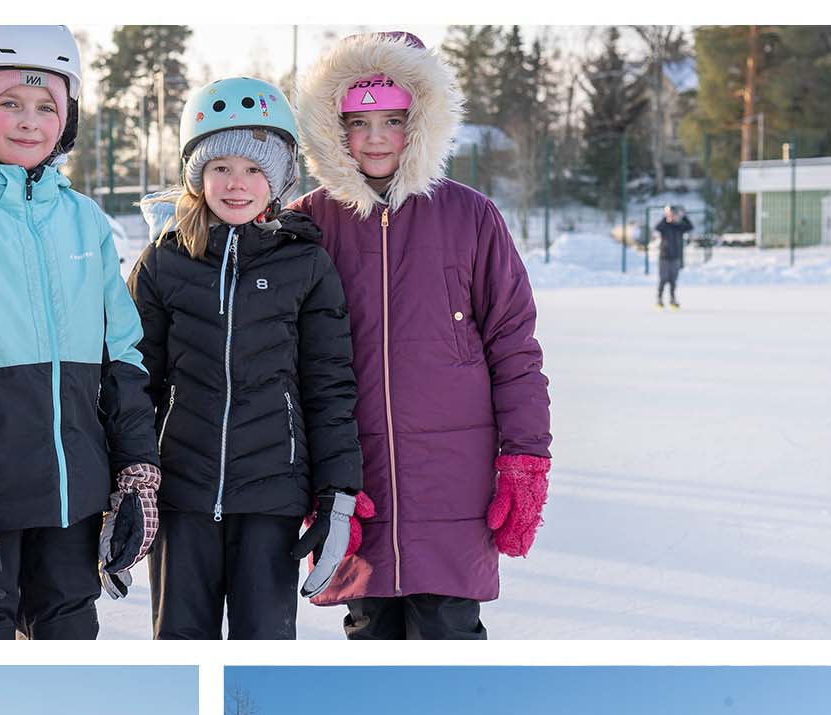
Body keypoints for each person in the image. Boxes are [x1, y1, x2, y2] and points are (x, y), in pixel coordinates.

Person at [0, 26, 160, 639]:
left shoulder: (85, 221)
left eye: (47, 107)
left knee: (69, 646)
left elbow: (122, 355)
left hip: (76, 499)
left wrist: (137, 470)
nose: (29, 121)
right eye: (9, 103)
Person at [291, 33, 552, 640]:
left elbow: (515, 347)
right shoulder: (306, 223)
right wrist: (306, 478)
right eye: (358, 122)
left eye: (393, 119)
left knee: (448, 631)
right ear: (333, 129)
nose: (376, 136)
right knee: (371, 627)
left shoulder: (470, 217)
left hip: (454, 479)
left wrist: (525, 457)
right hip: (353, 478)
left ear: (423, 122)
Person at [129, 78, 366, 638]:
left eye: (256, 170)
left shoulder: (305, 265)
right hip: (182, 495)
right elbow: (134, 382)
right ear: (196, 175)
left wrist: (336, 495)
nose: (238, 184)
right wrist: (127, 483)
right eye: (221, 167)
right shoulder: (164, 264)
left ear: (280, 179)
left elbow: (328, 386)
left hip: (271, 497)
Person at [654, 204, 693, 309]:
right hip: (664, 257)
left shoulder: (678, 227)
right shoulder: (664, 226)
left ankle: (672, 299)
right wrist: (666, 217)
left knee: (673, 280)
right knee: (663, 279)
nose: (673, 217)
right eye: (671, 214)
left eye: (674, 214)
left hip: (675, 257)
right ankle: (659, 299)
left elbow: (690, 227)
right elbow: (657, 227)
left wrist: (683, 216)